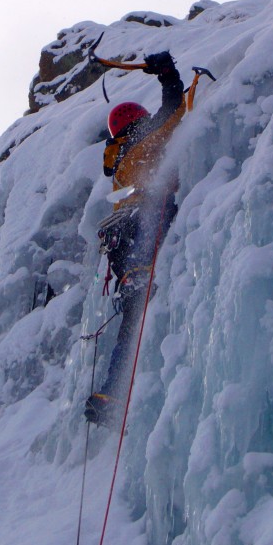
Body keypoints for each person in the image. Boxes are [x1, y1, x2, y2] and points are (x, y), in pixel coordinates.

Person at [85, 51, 185, 425]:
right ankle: (140, 278)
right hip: (144, 221)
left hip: (119, 240)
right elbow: (174, 111)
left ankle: (110, 394)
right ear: (138, 121)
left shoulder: (120, 158)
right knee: (140, 298)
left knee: (131, 317)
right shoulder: (144, 139)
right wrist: (168, 73)